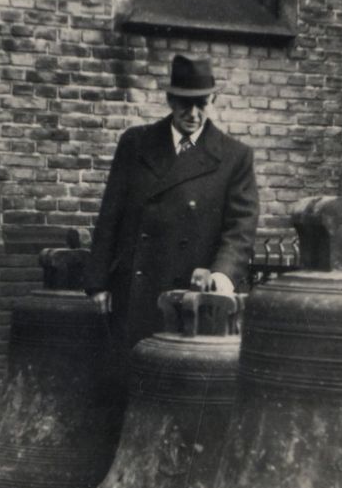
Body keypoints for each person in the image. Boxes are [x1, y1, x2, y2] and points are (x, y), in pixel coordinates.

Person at [83, 54, 259, 353]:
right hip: (133, 291)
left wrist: (222, 274)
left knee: (180, 384)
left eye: (201, 103)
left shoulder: (234, 156)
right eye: (183, 103)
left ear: (212, 101)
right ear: (169, 99)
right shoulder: (136, 143)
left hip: (192, 297)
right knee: (127, 380)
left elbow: (241, 227)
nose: (192, 113)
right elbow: (110, 214)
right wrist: (98, 283)